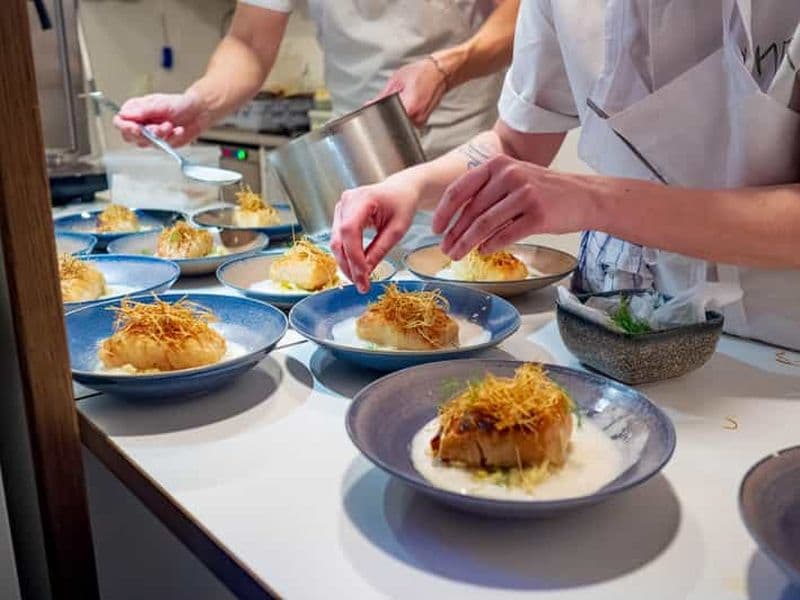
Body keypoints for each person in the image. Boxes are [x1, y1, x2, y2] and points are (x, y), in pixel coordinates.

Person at [331, 0, 800, 350]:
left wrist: (593, 200)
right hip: (628, 328)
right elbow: (515, 144)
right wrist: (410, 185)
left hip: (781, 339)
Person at [114, 0, 520, 159]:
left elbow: (525, 15)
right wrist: (198, 104)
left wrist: (446, 69)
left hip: (468, 155)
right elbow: (249, 42)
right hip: (358, 158)